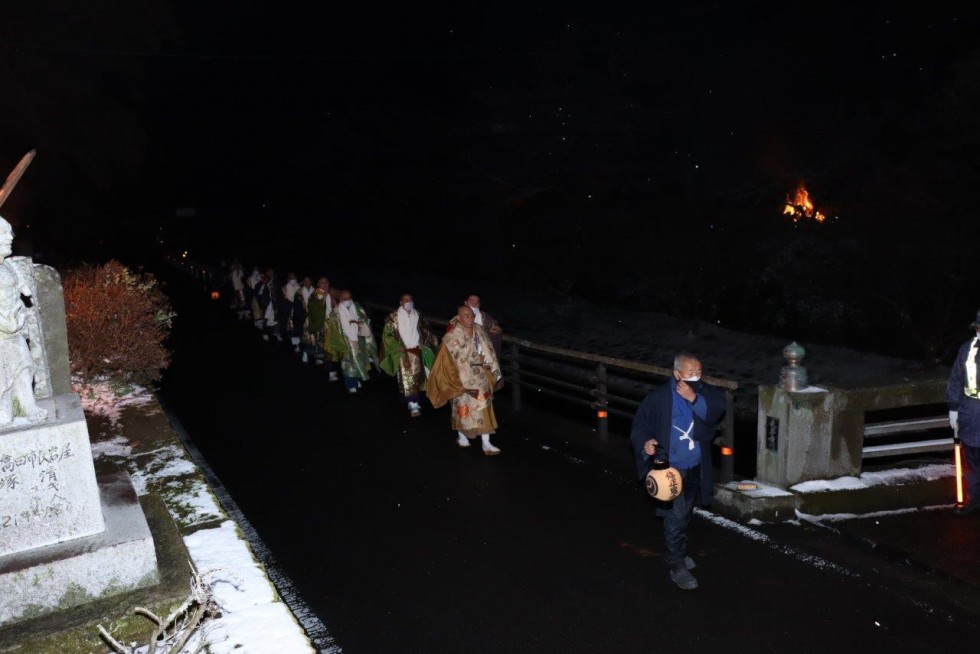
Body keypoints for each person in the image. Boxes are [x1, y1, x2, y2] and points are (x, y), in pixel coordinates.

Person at [630, 352, 726, 590]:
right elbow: (641, 423)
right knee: (676, 515)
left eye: (699, 372)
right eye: (690, 373)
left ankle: (677, 553)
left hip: (695, 465)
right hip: (671, 468)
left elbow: (717, 408)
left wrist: (693, 398)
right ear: (676, 374)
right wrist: (646, 443)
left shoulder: (701, 391)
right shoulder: (660, 398)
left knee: (684, 513)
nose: (696, 377)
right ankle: (675, 564)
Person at [426, 305, 503, 455]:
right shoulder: (451, 338)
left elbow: (489, 349)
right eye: (466, 316)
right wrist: (453, 381)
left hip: (481, 376)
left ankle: (486, 443)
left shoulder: (479, 330)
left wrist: (491, 368)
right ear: (459, 317)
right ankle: (462, 437)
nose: (470, 318)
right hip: (463, 380)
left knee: (484, 407)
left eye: (472, 315)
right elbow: (444, 362)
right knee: (462, 410)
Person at [0, 216, 46, 426]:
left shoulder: (8, 266)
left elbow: (19, 284)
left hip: (14, 326)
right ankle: (5, 407)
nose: (10, 237)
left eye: (9, 232)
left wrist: (24, 290)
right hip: (2, 329)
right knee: (3, 375)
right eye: (3, 234)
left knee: (23, 366)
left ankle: (28, 405)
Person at [380, 293, 438, 417]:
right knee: (407, 379)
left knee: (417, 378)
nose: (409, 302)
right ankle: (413, 404)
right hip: (403, 352)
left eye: (410, 299)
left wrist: (424, 342)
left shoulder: (418, 315)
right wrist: (396, 346)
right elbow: (387, 335)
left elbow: (427, 330)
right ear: (400, 302)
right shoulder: (393, 318)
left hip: (417, 351)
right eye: (406, 300)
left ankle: (410, 399)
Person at [946, 310, 980, 516]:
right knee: (972, 460)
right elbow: (956, 379)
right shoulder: (967, 349)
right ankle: (975, 498)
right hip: (970, 410)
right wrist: (953, 407)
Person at [325, 289, 378, 393]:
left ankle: (356, 379)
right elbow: (332, 329)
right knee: (348, 365)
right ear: (340, 299)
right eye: (345, 298)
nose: (347, 300)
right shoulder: (336, 313)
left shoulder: (357, 307)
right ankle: (350, 385)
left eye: (349, 298)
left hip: (359, 340)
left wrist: (361, 326)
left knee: (359, 361)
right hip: (345, 342)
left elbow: (365, 320)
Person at [304, 277, 336, 376]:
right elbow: (311, 307)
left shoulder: (330, 293)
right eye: (322, 283)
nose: (324, 285)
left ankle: (319, 358)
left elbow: (333, 307)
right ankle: (330, 371)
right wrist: (324, 296)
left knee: (324, 344)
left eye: (326, 282)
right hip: (320, 322)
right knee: (324, 344)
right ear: (318, 284)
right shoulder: (316, 293)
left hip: (329, 322)